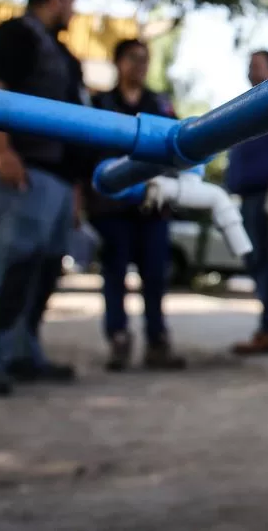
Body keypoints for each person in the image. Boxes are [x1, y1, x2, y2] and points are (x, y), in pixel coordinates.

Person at [0, 0, 89, 396]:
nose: (74, 9)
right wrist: (0, 152)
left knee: (45, 267)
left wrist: (74, 191)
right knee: (13, 264)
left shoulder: (64, 56)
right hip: (15, 173)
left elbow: (73, 127)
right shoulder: (15, 35)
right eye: (71, 0)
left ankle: (22, 353)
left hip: (53, 178)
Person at [88, 39, 186, 372]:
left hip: (152, 204)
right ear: (117, 62)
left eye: (145, 59)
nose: (140, 65)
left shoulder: (159, 103)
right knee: (114, 274)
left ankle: (157, 341)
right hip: (111, 206)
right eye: (133, 58)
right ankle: (118, 338)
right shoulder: (99, 103)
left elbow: (177, 146)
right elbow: (84, 152)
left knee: (155, 275)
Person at [228, 51, 268, 356]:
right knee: (256, 260)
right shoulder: (249, 103)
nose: (250, 71)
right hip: (248, 193)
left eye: (257, 65)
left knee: (266, 261)